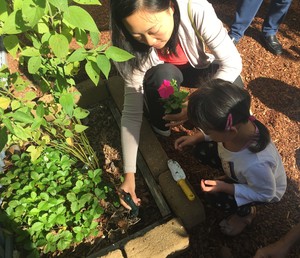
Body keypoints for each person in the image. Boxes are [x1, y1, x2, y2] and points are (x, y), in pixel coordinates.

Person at [109, 0, 243, 209]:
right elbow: (132, 113)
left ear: (170, 7)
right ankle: (161, 121)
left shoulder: (195, 9)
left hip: (197, 67)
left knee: (233, 84)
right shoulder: (135, 48)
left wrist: (193, 105)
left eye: (153, 30)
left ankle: (226, 139)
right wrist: (129, 174)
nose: (149, 41)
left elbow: (232, 62)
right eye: (137, 35)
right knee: (163, 75)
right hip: (166, 75)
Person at [174, 79, 287, 236]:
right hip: (240, 168)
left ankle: (245, 214)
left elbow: (266, 194)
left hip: (259, 188)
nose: (205, 132)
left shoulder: (257, 163)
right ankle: (232, 177)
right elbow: (218, 134)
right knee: (201, 150)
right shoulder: (239, 119)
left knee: (216, 197)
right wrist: (199, 137)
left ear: (230, 132)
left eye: (207, 130)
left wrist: (225, 187)